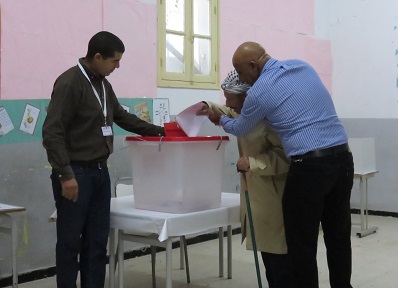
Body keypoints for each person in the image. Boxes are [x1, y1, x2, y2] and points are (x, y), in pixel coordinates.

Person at [209, 42, 354, 288]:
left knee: (300, 243)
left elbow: (240, 126)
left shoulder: (260, 91)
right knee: (338, 236)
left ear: (254, 66)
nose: (244, 79)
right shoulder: (302, 66)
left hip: (309, 167)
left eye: (242, 73)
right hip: (342, 159)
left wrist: (220, 118)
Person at [42, 31, 164, 288]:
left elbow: (120, 116)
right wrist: (66, 174)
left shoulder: (103, 84)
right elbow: (52, 132)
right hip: (76, 174)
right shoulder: (69, 83)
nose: (117, 66)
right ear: (97, 57)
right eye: (114, 61)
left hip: (99, 173)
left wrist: (160, 131)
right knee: (70, 243)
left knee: (96, 242)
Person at [197, 69, 291, 288]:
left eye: (231, 97)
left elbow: (286, 155)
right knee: (269, 256)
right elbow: (229, 111)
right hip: (257, 195)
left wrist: (253, 163)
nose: (228, 103)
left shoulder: (270, 118)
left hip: (275, 196)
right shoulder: (244, 111)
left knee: (281, 257)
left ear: (247, 97)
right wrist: (208, 107)